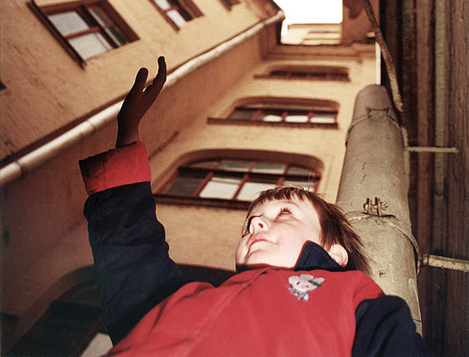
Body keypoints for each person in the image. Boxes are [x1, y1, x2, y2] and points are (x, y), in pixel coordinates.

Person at [79, 57, 431, 356]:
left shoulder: (354, 300)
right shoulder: (186, 298)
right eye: (250, 223)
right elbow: (131, 259)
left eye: (285, 213)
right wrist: (128, 132)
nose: (256, 225)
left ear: (334, 253)